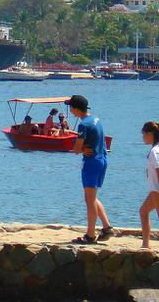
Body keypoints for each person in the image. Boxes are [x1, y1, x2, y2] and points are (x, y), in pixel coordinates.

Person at [66, 94, 114, 244]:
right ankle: (106, 227)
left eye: (70, 107)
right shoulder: (96, 119)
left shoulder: (83, 125)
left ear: (75, 108)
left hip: (91, 162)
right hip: (102, 159)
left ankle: (90, 235)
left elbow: (76, 148)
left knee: (90, 199)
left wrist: (78, 150)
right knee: (90, 197)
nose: (70, 110)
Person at [140, 122, 159, 248]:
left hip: (157, 190)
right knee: (143, 211)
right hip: (153, 190)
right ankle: (145, 245)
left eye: (143, 134)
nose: (142, 137)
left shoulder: (155, 151)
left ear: (150, 134)